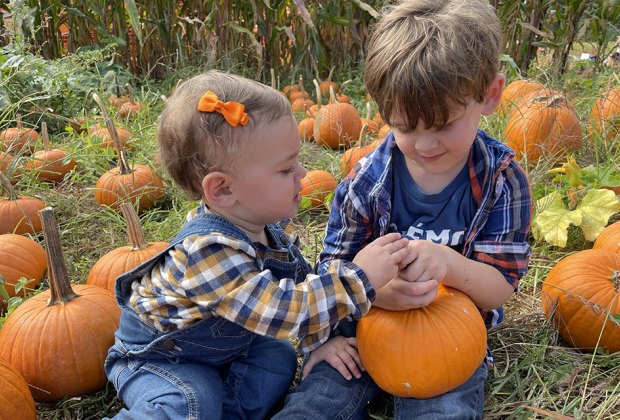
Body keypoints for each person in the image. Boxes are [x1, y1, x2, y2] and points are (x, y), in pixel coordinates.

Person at [272, 0, 532, 419]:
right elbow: (332, 269)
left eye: (444, 125)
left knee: (445, 409)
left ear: (490, 95)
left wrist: (447, 264)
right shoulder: (365, 182)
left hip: (449, 340)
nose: (426, 145)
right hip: (365, 331)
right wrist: (371, 290)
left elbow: (501, 284)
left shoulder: (502, 181)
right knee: (319, 403)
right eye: (407, 128)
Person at [104, 70, 413, 419]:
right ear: (222, 189)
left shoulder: (267, 231)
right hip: (160, 359)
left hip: (220, 351)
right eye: (285, 170)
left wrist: (320, 342)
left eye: (297, 160)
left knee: (277, 357)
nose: (302, 173)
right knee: (190, 400)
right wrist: (359, 278)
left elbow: (301, 286)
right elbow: (285, 310)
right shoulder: (208, 253)